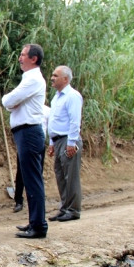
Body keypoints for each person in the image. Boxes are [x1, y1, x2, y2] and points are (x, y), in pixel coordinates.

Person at [2, 43, 48, 239]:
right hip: (26, 132)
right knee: (30, 179)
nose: (20, 58)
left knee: (33, 180)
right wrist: (12, 102)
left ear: (33, 59)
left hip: (29, 131)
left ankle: (38, 225)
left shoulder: (33, 79)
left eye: (23, 55)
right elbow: (13, 103)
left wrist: (9, 100)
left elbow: (8, 101)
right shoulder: (29, 79)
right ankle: (34, 222)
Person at [47, 65, 83, 222]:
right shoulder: (56, 97)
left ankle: (73, 209)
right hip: (58, 140)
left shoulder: (72, 96)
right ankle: (64, 208)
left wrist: (71, 143)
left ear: (65, 79)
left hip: (68, 139)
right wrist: (51, 142)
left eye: (56, 75)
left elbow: (75, 121)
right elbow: (54, 121)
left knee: (71, 175)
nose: (52, 78)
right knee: (61, 175)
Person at [13, 104, 50, 212]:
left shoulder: (47, 110)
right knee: (21, 173)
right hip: (25, 143)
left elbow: (49, 127)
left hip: (39, 143)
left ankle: (37, 201)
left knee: (38, 173)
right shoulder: (26, 108)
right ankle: (18, 201)